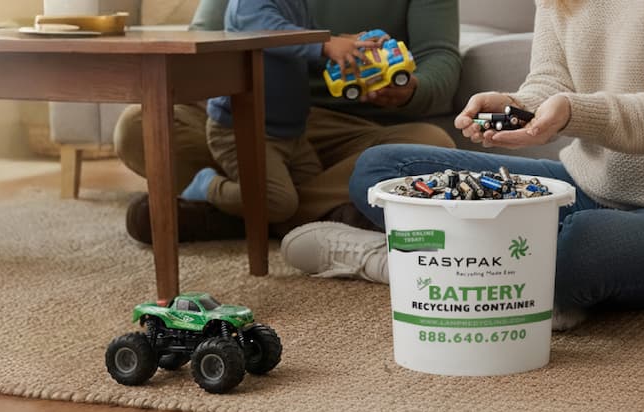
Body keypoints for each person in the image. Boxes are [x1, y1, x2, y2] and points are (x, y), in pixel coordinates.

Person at [282, 0, 644, 330]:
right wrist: (515, 103)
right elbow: (549, 79)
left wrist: (571, 110)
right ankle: (501, 281)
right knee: (381, 169)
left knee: (575, 250)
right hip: (586, 184)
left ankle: (393, 262)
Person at [117, 0, 461, 244]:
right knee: (141, 126)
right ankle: (310, 214)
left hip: (354, 129)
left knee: (433, 147)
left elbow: (440, 56)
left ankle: (237, 213)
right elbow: (199, 43)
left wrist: (413, 90)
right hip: (253, 113)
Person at [178, 0, 376, 226]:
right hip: (244, 130)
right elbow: (269, 31)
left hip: (292, 133)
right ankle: (207, 185)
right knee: (279, 203)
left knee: (312, 195)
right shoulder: (246, 5)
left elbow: (306, 38)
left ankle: (254, 216)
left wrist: (346, 44)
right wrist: (326, 44)